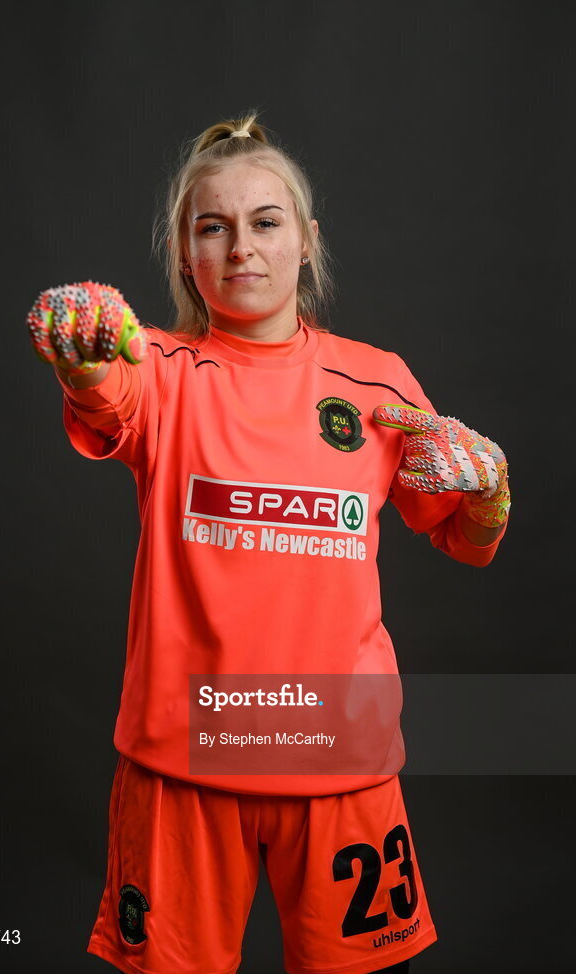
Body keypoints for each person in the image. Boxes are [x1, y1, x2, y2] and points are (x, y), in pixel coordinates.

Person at [27, 111, 510, 974]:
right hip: (183, 759)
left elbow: (466, 540)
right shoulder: (161, 367)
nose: (240, 247)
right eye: (211, 227)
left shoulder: (378, 381)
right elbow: (108, 395)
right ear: (185, 253)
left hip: (338, 757)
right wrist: (83, 352)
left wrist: (485, 490)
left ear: (305, 241)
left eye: (265, 222)